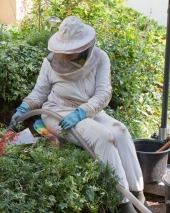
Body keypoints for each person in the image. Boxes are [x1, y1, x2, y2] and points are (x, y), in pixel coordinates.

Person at [9, 16, 150, 212]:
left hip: (87, 109)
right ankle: (124, 205)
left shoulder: (100, 58)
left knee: (121, 131)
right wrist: (25, 107)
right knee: (103, 136)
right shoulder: (50, 62)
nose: (68, 53)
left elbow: (103, 93)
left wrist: (81, 112)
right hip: (56, 112)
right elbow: (40, 91)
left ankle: (138, 195)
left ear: (84, 43)